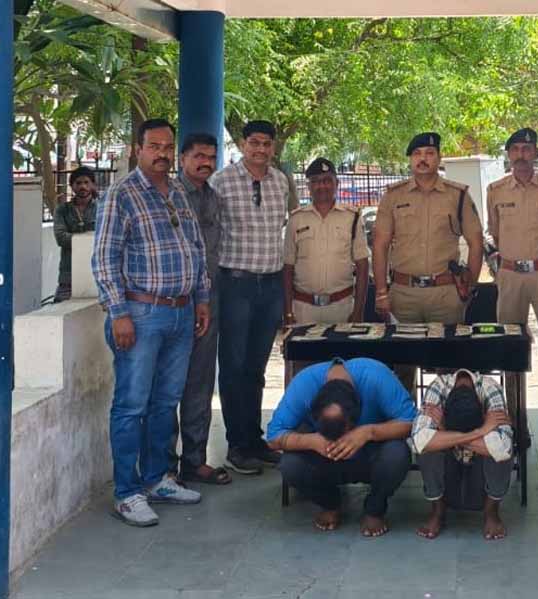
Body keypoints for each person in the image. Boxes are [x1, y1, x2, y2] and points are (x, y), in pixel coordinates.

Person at [92, 118, 211, 526]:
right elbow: (104, 258)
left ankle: (158, 478)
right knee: (131, 404)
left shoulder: (177, 191)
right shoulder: (121, 195)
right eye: (154, 146)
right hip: (140, 314)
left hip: (181, 312)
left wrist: (201, 298)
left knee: (165, 402)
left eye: (167, 146)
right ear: (137, 149)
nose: (162, 153)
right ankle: (127, 493)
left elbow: (196, 248)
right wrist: (118, 312)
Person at [372, 132, 484, 391]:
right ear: (410, 159)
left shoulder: (457, 195)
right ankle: (406, 416)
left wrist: (469, 285)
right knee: (402, 370)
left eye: (429, 153)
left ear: (439, 158)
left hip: (445, 295)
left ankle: (445, 415)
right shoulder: (393, 196)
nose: (423, 159)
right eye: (417, 154)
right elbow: (379, 244)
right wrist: (381, 292)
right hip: (404, 295)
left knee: (449, 369)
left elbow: (476, 242)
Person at [210, 120, 290, 475]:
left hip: (270, 286)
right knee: (233, 366)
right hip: (235, 285)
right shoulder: (222, 181)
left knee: (256, 368)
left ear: (273, 147)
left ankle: (254, 439)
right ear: (243, 145)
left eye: (266, 143)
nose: (260, 149)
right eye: (254, 142)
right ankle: (236, 445)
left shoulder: (281, 182)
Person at [486, 128, 538, 457]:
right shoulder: (495, 190)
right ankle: (516, 425)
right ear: (508, 155)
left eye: (526, 149)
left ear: (536, 153)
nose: (521, 155)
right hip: (510, 276)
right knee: (509, 351)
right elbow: (495, 232)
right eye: (515, 149)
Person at [268, 357, 416, 537]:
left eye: (343, 431)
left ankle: (374, 509)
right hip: (325, 457)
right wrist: (312, 441)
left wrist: (369, 432)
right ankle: (330, 503)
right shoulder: (304, 384)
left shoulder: (376, 377)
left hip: (369, 455)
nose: (340, 439)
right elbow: (273, 437)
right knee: (290, 464)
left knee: (397, 454)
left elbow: (412, 423)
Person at [165, 133, 229, 485]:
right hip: (174, 301)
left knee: (200, 382)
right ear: (182, 158)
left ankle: (194, 460)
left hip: (209, 300)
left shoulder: (214, 198)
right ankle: (164, 466)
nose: (205, 162)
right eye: (198, 156)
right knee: (167, 385)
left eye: (211, 157)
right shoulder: (169, 196)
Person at [410, 369, 514, 540]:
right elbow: (418, 441)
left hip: (479, 475)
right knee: (427, 449)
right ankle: (438, 510)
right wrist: (479, 432)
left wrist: (446, 432)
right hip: (450, 471)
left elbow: (504, 447)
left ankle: (491, 512)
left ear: (482, 410)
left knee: (500, 451)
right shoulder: (439, 387)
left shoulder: (490, 388)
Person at [283, 157, 370, 327]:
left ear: (337, 183)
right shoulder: (296, 219)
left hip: (342, 308)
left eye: (327, 180)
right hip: (303, 309)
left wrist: (358, 311)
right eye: (315, 181)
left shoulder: (352, 217)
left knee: (341, 346)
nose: (321, 186)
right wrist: (288, 312)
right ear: (308, 186)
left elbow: (362, 265)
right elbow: (287, 268)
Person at [53, 166, 98, 302]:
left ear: (93, 185)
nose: (83, 186)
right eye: (78, 183)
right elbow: (61, 238)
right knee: (59, 308)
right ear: (72, 186)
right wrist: (89, 240)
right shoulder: (62, 210)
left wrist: (77, 239)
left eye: (86, 182)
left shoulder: (102, 208)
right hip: (68, 275)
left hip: (96, 273)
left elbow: (106, 238)